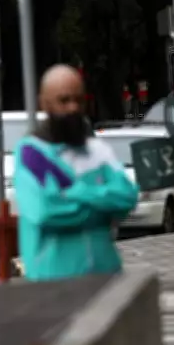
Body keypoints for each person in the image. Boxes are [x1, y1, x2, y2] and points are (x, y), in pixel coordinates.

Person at [14, 64, 139, 281]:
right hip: (53, 281)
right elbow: (46, 211)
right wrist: (103, 210)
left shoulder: (97, 150)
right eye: (64, 101)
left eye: (79, 100)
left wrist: (77, 192)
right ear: (44, 103)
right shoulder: (32, 154)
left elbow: (128, 196)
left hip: (106, 276)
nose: (73, 108)